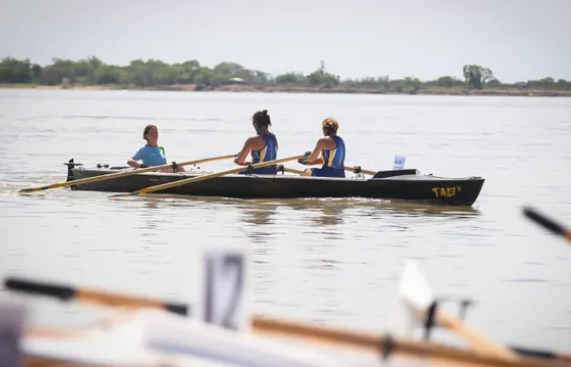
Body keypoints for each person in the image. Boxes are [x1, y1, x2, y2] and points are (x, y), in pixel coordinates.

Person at [234, 109, 278, 175]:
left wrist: (238, 159)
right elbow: (267, 159)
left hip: (258, 173)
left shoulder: (251, 140)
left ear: (255, 123)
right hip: (272, 172)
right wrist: (249, 163)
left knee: (236, 173)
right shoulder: (274, 138)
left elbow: (240, 161)